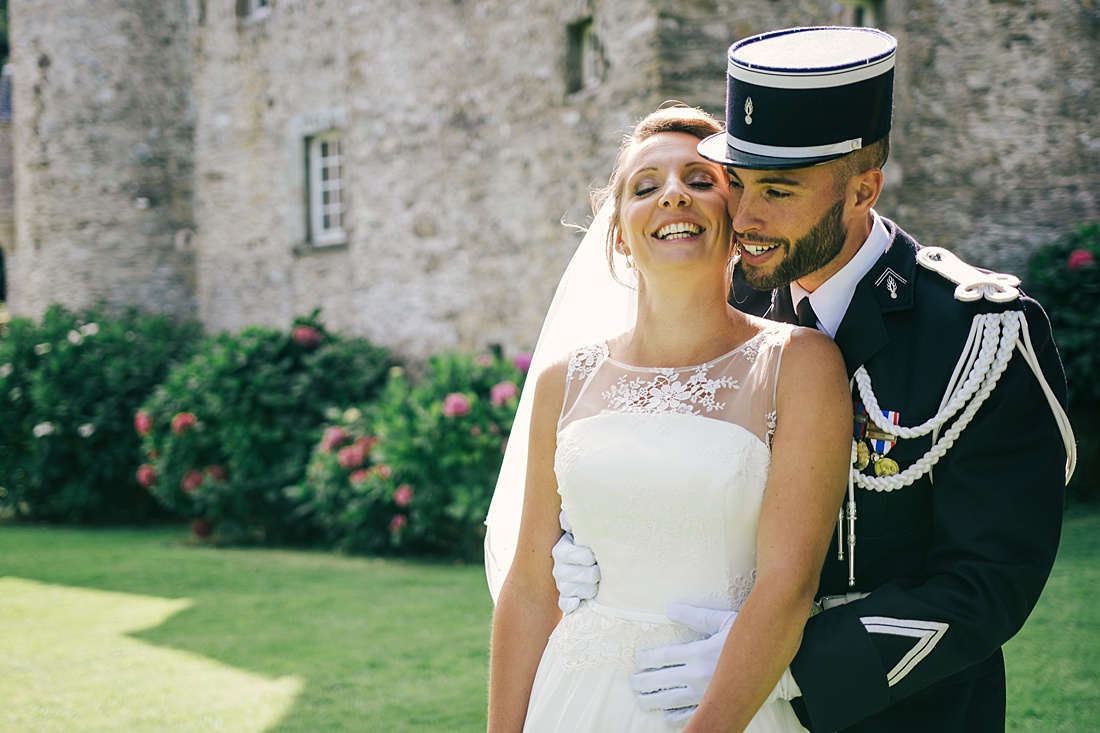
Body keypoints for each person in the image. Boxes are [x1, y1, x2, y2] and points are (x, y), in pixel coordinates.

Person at [551, 26, 1077, 733]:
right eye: (735, 183)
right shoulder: (725, 303)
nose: (743, 216)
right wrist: (591, 543)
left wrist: (789, 665)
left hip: (906, 713)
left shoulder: (978, 333)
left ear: (863, 188)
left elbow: (987, 582)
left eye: (778, 191)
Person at [486, 105, 853, 732]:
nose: (673, 195)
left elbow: (787, 588)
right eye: (646, 186)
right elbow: (527, 587)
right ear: (620, 233)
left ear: (734, 219)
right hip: (574, 699)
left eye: (700, 180)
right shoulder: (562, 381)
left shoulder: (800, 365)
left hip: (727, 702)